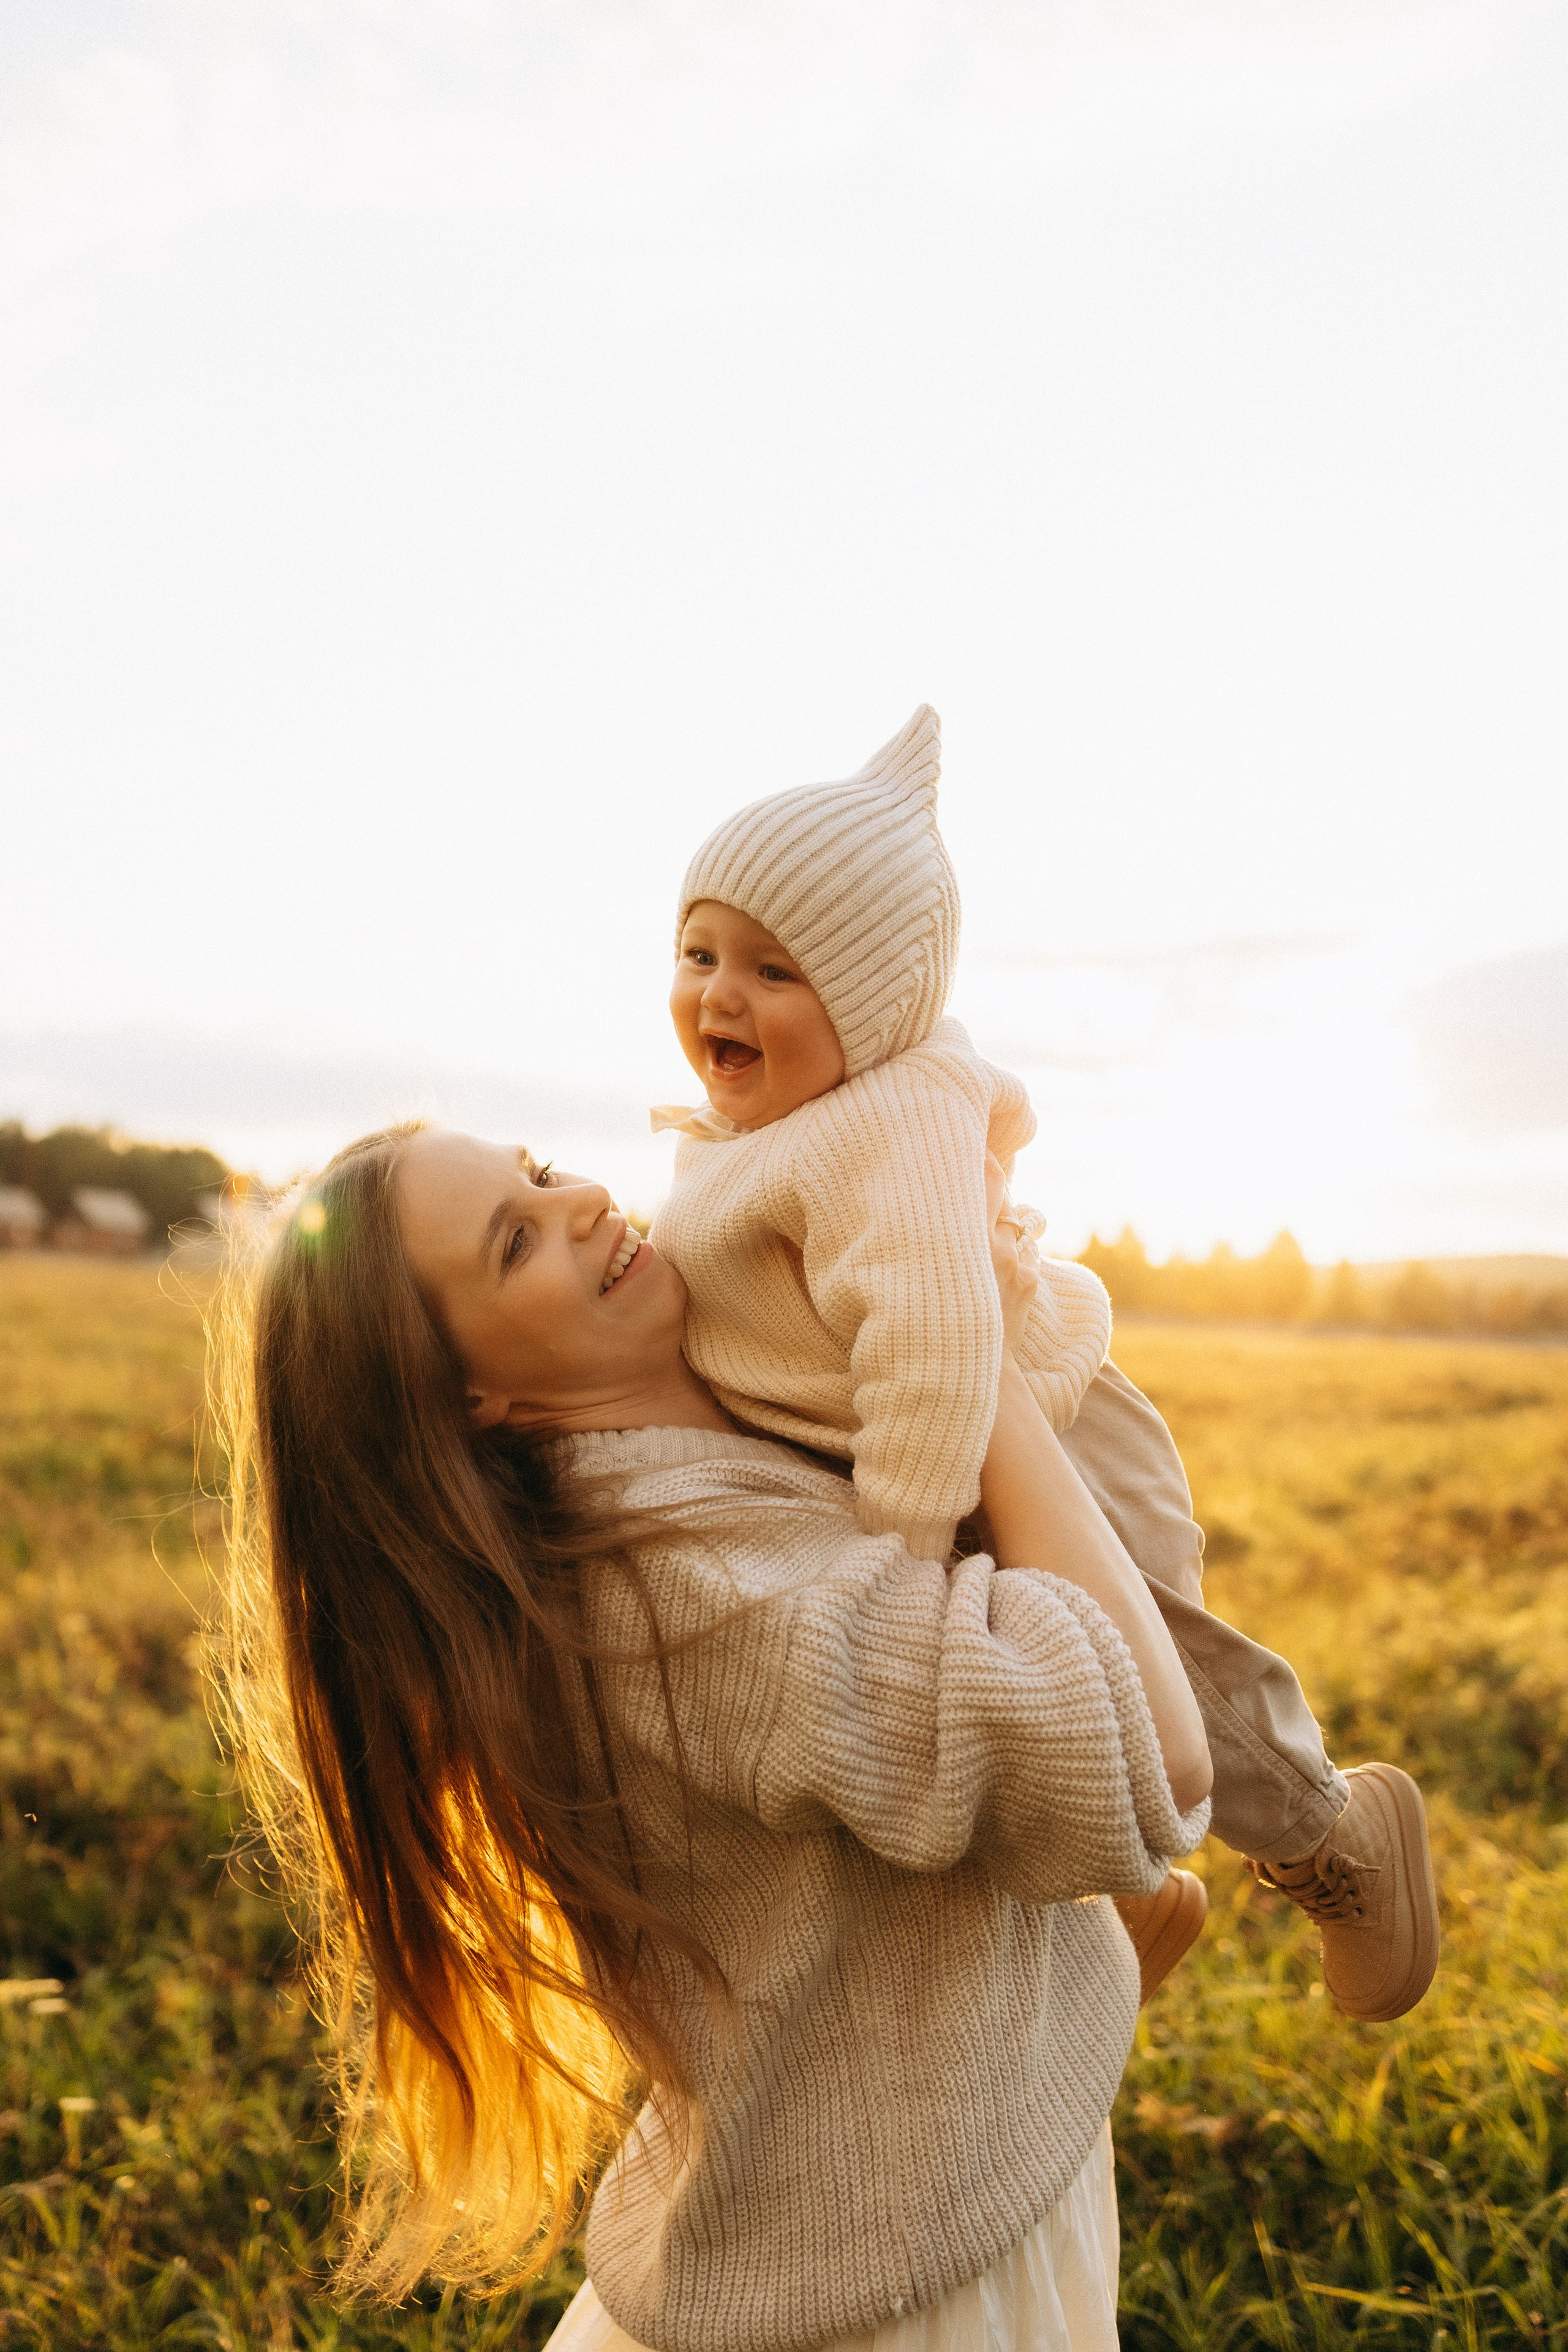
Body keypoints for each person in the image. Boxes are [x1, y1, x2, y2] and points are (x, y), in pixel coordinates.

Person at [211, 1120, 1212, 2351]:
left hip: (893, 2208)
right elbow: (1157, 1753)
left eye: (534, 1171)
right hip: (901, 2290)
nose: (578, 1197)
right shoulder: (709, 1606)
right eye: (514, 1240)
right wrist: (979, 1351)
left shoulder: (681, 1470)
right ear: (469, 1393)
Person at [649, 704, 1439, 2026]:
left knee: (1143, 1670)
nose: (718, 993)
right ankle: (1113, 1899)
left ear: (873, 1008)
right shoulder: (769, 1128)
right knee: (1037, 1702)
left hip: (1033, 1433)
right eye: (698, 951)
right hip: (945, 1444)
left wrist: (895, 1564)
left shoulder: (883, 1128)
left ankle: (1326, 1832)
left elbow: (934, 1353)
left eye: (774, 974)